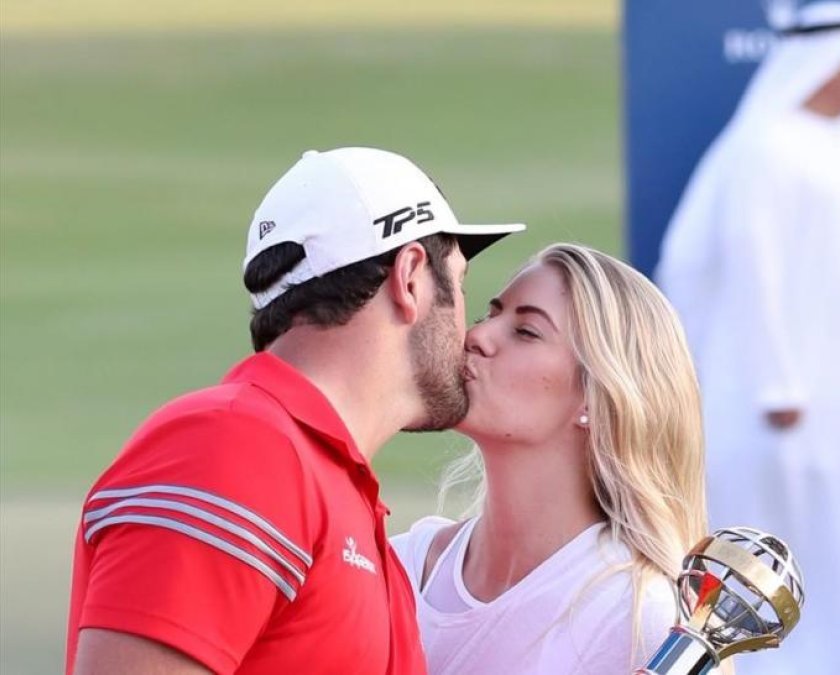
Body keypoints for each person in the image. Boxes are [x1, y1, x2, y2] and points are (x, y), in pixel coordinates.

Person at [65, 147, 525, 675]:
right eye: (461, 284)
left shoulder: (327, 487)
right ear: (410, 277)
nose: (471, 333)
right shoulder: (234, 448)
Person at [654, 2, 840, 674]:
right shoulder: (763, 150)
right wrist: (775, 386)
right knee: (787, 557)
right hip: (788, 406)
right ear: (825, 65)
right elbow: (749, 271)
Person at [390, 243, 707, 674]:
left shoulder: (637, 616)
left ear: (597, 396)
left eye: (526, 331)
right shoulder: (402, 565)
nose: (477, 336)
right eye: (489, 315)